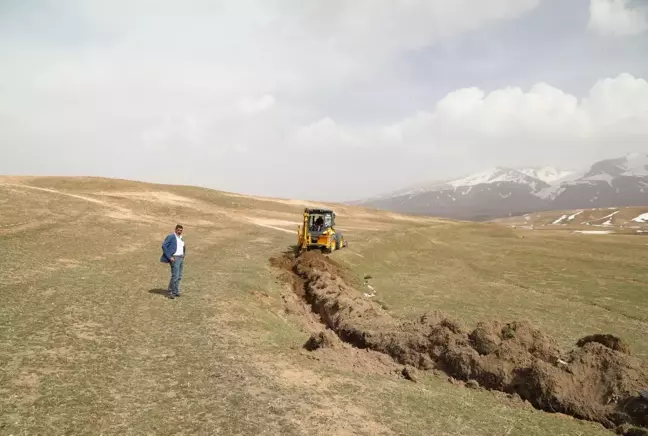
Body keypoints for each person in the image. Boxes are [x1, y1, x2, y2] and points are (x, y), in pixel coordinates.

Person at [160, 224, 186, 299]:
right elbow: (164, 246)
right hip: (175, 258)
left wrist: (184, 254)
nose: (180, 231)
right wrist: (169, 256)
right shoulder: (171, 236)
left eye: (181, 230)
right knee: (175, 276)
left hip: (181, 258)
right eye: (178, 230)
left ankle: (176, 291)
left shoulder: (181, 238)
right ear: (175, 230)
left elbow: (183, 247)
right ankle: (170, 292)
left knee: (179, 276)